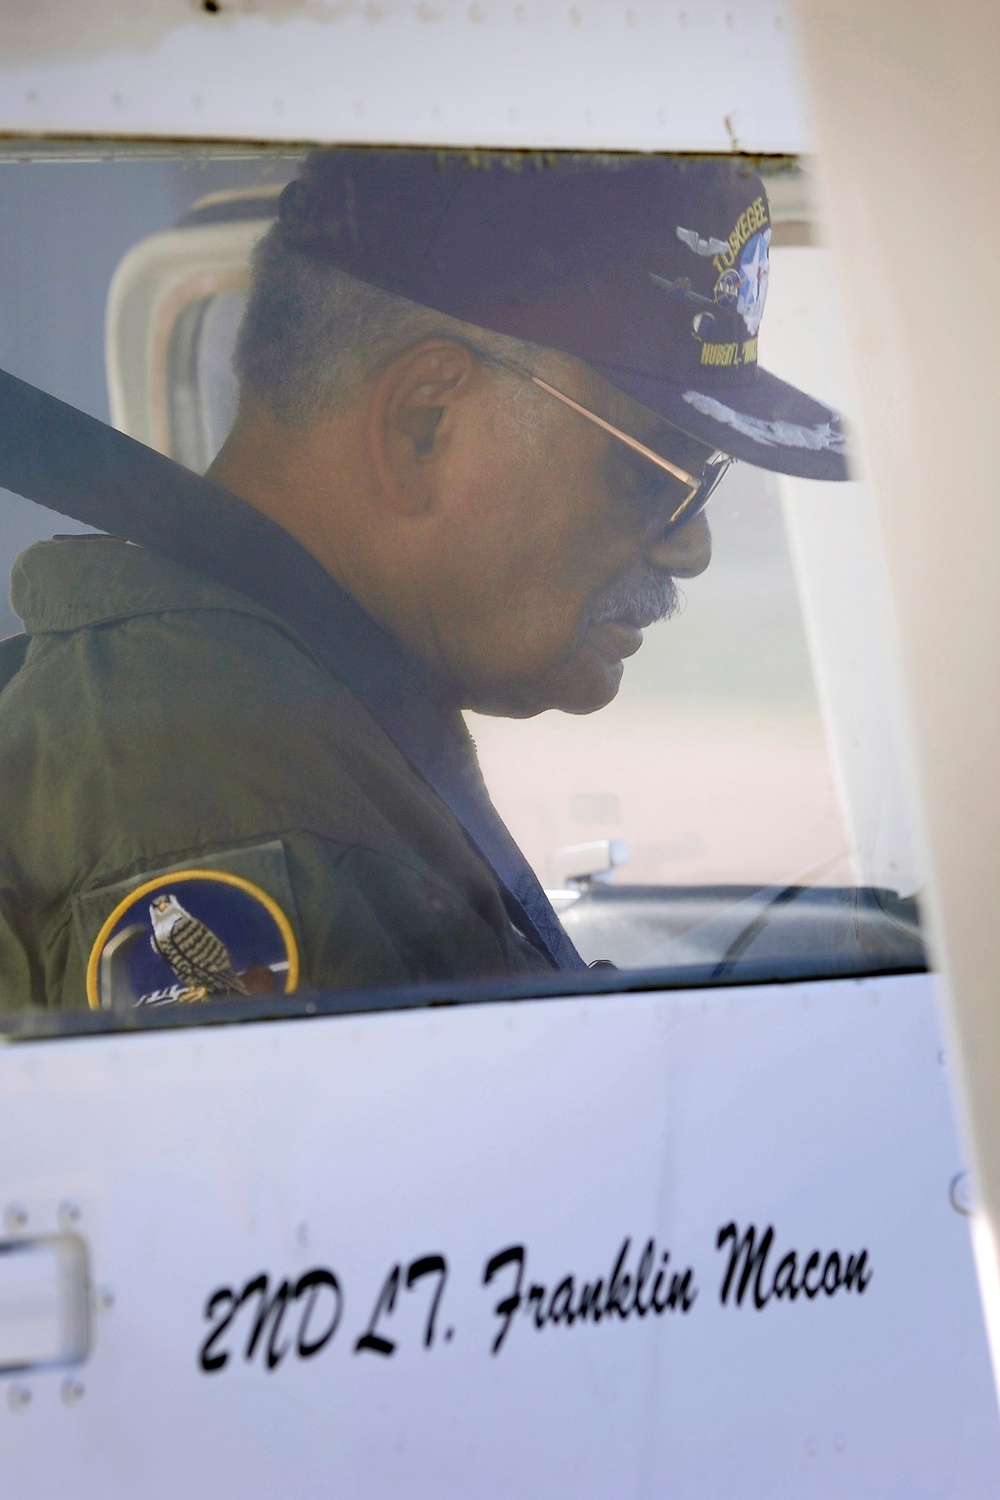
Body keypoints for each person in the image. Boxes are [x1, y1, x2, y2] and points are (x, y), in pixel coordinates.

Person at [0, 150, 847, 1013]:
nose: (691, 549)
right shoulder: (249, 804)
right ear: (422, 424)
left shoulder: (288, 721)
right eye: (657, 477)